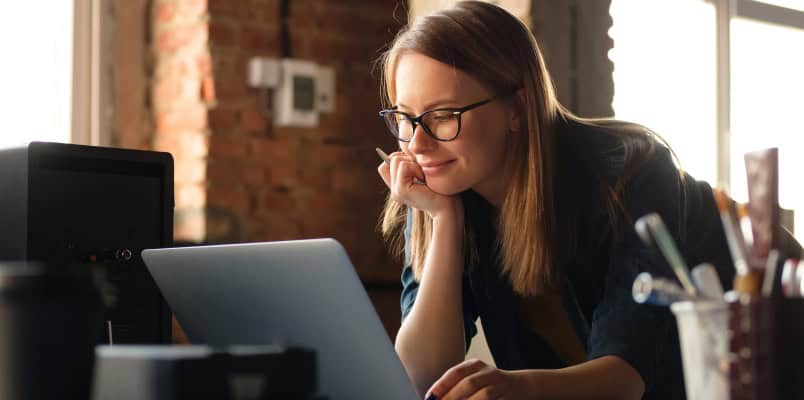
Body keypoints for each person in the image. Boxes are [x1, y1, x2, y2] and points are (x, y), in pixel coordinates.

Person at [375, 2, 738, 399]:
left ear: (517, 108)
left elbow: (627, 380)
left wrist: (517, 388)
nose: (418, 143)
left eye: (442, 115)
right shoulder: (440, 184)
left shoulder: (633, 172)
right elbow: (421, 376)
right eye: (404, 118)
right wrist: (445, 221)